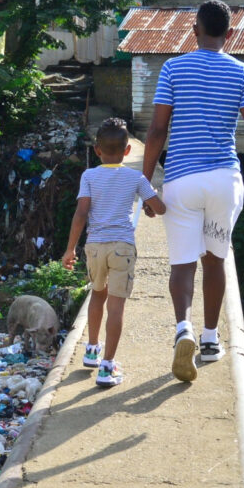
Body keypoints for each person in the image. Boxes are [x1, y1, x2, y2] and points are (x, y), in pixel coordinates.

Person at [142, 0, 244, 383]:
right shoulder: (243, 73)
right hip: (224, 181)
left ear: (194, 31)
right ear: (230, 34)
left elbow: (157, 131)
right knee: (215, 258)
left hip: (181, 180)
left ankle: (183, 330)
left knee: (181, 264)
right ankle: (210, 340)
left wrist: (144, 184)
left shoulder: (172, 67)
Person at [63, 118, 167, 387]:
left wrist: (70, 248)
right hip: (122, 247)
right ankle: (108, 367)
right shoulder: (136, 177)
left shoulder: (89, 176)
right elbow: (160, 207)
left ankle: (92, 350)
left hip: (95, 246)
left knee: (98, 295)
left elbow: (81, 213)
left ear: (97, 149)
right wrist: (150, 206)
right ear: (128, 151)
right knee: (117, 305)